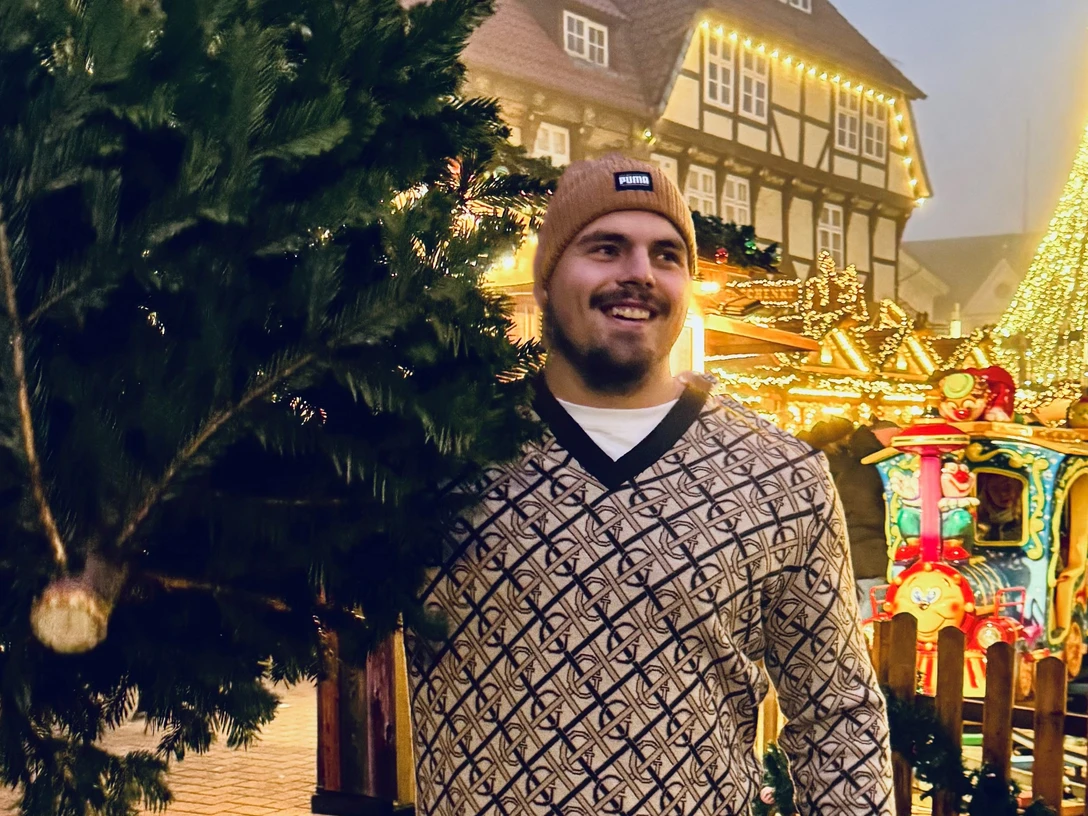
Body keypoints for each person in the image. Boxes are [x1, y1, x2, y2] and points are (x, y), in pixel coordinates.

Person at [405, 154, 893, 815]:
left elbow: (836, 709)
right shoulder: (445, 457)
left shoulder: (780, 477)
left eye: (666, 255)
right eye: (607, 248)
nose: (638, 273)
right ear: (546, 280)